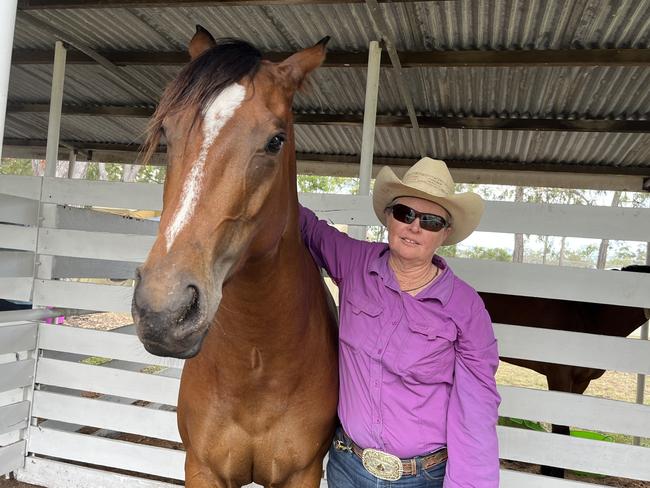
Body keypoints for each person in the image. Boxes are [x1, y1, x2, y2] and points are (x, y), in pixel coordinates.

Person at [299, 157, 501, 487]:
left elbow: (477, 409)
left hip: (421, 477)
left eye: (431, 221)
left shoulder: (466, 308)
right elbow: (306, 227)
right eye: (405, 213)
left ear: (445, 233)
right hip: (348, 467)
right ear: (389, 217)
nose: (414, 226)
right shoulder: (355, 262)